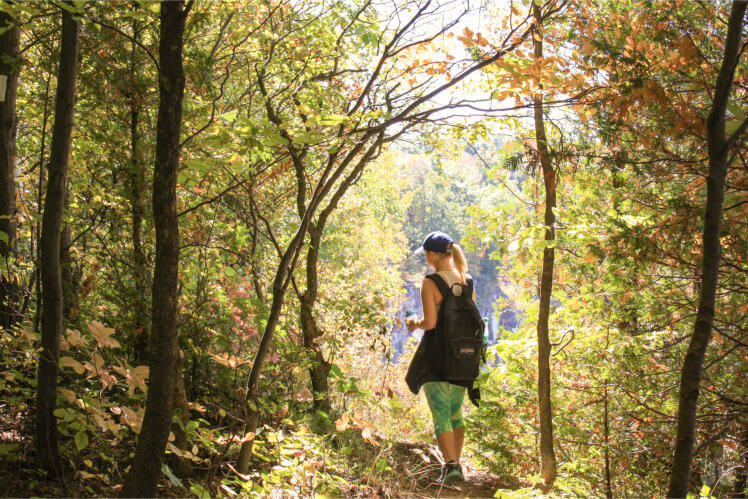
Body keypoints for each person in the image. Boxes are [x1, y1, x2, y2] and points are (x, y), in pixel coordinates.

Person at [404, 231, 478, 486]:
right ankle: (455, 465)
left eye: (426, 254)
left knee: (440, 413)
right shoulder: (467, 281)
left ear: (433, 255)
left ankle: (451, 466)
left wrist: (415, 324)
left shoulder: (431, 282)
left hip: (437, 356)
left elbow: (431, 322)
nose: (425, 258)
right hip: (464, 358)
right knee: (456, 412)